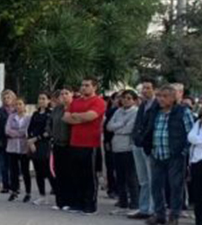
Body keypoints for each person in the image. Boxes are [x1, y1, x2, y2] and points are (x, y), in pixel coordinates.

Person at [143, 85, 194, 225]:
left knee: (175, 186)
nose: (161, 99)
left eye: (165, 96)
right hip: (156, 153)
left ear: (173, 98)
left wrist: (184, 151)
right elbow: (148, 128)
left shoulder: (183, 112)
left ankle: (174, 215)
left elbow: (190, 134)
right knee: (156, 185)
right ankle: (159, 214)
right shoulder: (155, 112)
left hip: (175, 155)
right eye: (159, 96)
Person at [62, 78, 107, 214]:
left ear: (94, 87)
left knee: (89, 176)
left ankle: (90, 205)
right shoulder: (75, 102)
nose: (83, 87)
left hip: (90, 143)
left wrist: (76, 116)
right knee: (76, 174)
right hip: (75, 142)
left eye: (87, 85)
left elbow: (91, 116)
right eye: (82, 85)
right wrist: (79, 117)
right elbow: (65, 118)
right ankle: (78, 203)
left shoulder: (99, 102)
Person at [106, 90, 140, 212]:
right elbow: (109, 126)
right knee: (119, 176)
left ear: (135, 100)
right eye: (124, 98)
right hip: (117, 146)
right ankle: (122, 201)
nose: (125, 100)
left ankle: (135, 202)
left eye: (129, 98)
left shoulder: (136, 112)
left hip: (128, 147)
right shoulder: (118, 111)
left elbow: (130, 128)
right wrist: (121, 124)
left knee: (131, 176)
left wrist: (118, 127)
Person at [129, 80, 159, 219]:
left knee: (152, 178)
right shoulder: (142, 105)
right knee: (143, 179)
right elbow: (137, 123)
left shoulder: (157, 105)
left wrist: (144, 138)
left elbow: (152, 125)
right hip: (138, 143)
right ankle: (144, 207)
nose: (145, 90)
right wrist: (136, 137)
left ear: (155, 89)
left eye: (148, 88)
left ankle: (153, 209)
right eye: (143, 88)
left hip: (148, 145)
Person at [27, 93, 54, 204]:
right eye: (40, 98)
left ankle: (57, 192)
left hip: (44, 144)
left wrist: (36, 139)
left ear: (48, 101)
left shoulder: (50, 114)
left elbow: (49, 131)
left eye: (44, 98)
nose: (41, 101)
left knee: (47, 170)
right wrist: (30, 140)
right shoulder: (35, 114)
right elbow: (30, 128)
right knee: (38, 171)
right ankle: (42, 195)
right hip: (34, 145)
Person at [4, 97, 32, 203]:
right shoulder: (11, 117)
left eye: (20, 104)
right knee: (13, 170)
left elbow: (27, 131)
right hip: (12, 147)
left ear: (24, 105)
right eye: (16, 104)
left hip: (24, 148)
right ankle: (14, 190)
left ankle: (28, 192)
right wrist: (18, 133)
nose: (18, 106)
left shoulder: (28, 118)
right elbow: (7, 130)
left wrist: (17, 133)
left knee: (25, 171)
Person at [49, 88, 73, 209]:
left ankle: (69, 201)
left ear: (71, 95)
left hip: (69, 145)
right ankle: (60, 201)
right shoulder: (57, 109)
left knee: (69, 173)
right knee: (58, 173)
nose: (63, 96)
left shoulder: (73, 108)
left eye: (66, 93)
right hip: (57, 144)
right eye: (61, 94)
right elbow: (50, 123)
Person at [0, 90, 16, 194]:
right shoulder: (0, 111)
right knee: (3, 164)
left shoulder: (16, 111)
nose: (6, 100)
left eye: (8, 98)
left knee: (12, 164)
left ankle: (13, 185)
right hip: (1, 141)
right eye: (4, 98)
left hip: (13, 141)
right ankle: (5, 185)